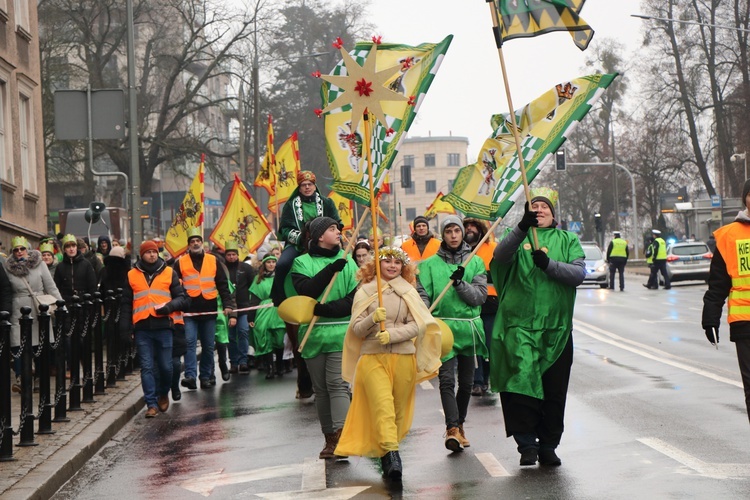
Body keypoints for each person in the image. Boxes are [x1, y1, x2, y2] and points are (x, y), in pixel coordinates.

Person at [490, 188, 586, 467]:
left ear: (553, 213)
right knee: (520, 387)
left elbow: (578, 274)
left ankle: (548, 445)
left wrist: (549, 265)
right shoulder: (517, 238)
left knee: (554, 392)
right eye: (534, 207)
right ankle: (526, 444)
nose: (540, 210)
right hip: (517, 328)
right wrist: (521, 227)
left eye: (544, 207)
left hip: (556, 331)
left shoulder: (568, 239)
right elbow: (500, 254)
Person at [335, 246, 441, 479]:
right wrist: (373, 319)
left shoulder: (409, 291)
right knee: (383, 407)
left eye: (397, 262)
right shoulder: (365, 292)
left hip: (404, 358)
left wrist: (393, 335)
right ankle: (392, 456)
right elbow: (356, 328)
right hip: (372, 358)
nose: (392, 266)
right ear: (377, 265)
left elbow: (418, 324)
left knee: (397, 412)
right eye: (387, 261)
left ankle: (386, 450)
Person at [286, 216, 359, 459]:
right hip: (314, 334)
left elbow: (355, 298)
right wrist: (330, 270)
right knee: (321, 389)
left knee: (337, 384)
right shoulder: (301, 263)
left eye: (338, 228)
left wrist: (327, 309)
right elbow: (307, 292)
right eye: (331, 229)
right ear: (318, 236)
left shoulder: (349, 262)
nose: (338, 231)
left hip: (341, 332)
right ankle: (329, 439)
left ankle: (343, 436)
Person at [417, 215, 487, 452]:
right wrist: (424, 312)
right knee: (446, 380)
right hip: (443, 329)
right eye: (449, 232)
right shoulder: (427, 265)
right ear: (442, 235)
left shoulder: (475, 262)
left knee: (466, 383)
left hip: (468, 328)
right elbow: (423, 295)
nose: (454, 235)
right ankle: (452, 428)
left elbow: (479, 297)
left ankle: (460, 424)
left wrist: (460, 284)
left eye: (457, 231)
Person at [120, 240, 189, 418]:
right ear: (141, 254)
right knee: (147, 367)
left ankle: (163, 392)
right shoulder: (131, 275)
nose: (152, 254)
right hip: (142, 328)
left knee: (166, 367)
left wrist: (169, 307)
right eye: (148, 252)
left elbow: (182, 298)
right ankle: (151, 404)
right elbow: (126, 304)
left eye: (155, 252)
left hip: (164, 327)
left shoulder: (169, 272)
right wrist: (125, 329)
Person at [702, 179, 750, 424]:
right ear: (745, 199)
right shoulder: (729, 236)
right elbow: (719, 282)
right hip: (745, 325)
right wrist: (710, 316)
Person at [173, 227, 236, 390]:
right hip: (189, 311)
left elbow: (223, 285)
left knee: (208, 346)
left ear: (202, 243)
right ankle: (190, 376)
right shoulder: (180, 262)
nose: (195, 243)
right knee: (189, 343)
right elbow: (174, 287)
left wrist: (228, 304)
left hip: (209, 310)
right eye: (192, 241)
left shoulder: (213, 260)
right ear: (188, 245)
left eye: (198, 241)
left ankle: (206, 376)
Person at [272, 170, 341, 307]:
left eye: (310, 184)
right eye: (303, 185)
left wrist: (329, 234)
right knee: (282, 264)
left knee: (345, 261)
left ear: (315, 186)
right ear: (299, 187)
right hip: (298, 243)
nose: (307, 187)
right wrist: (301, 239)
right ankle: (278, 297)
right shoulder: (290, 205)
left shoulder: (327, 203)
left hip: (325, 242)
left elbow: (338, 223)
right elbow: (284, 229)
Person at [4, 236, 63, 390]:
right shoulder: (7, 267)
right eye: (16, 250)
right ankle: (22, 377)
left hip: (38, 307)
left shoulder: (40, 264)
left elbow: (51, 286)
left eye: (22, 249)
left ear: (28, 250)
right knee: (18, 344)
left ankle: (39, 377)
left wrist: (60, 304)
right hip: (18, 309)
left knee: (39, 345)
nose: (19, 252)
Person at [463, 217, 497, 397]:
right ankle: (476, 381)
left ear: (480, 229)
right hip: (469, 303)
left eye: (473, 226)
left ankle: (486, 379)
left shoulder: (491, 248)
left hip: (491, 304)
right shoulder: (462, 251)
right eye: (466, 226)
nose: (469, 229)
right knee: (474, 344)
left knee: (489, 344)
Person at [249, 254, 286, 378]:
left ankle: (280, 365)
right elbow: (253, 299)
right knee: (265, 339)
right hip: (263, 311)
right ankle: (270, 368)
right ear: (264, 264)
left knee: (279, 340)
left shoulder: (281, 278)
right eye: (268, 262)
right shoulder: (258, 279)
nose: (271, 264)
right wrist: (251, 317)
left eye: (273, 262)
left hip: (278, 309)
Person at [223, 241, 255, 374]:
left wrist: (252, 306)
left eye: (233, 254)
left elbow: (253, 287)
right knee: (230, 337)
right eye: (229, 255)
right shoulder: (222, 269)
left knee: (243, 332)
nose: (231, 257)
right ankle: (233, 362)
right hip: (228, 309)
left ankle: (243, 361)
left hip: (243, 308)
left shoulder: (246, 269)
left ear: (237, 255)